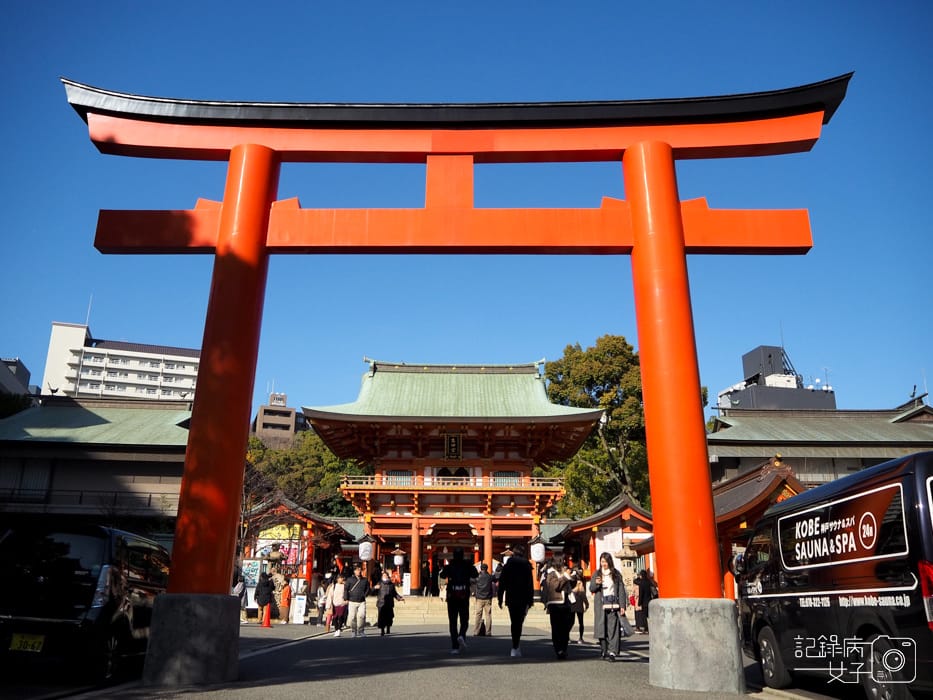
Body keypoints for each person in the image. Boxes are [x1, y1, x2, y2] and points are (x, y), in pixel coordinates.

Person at [496, 543, 534, 657]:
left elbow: (502, 582)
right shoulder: (527, 565)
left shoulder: (508, 565)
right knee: (519, 621)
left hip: (511, 596)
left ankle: (514, 646)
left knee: (514, 621)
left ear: (514, 552)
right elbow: (530, 584)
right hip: (523, 597)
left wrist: (499, 597)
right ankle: (517, 644)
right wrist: (530, 599)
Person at [589, 552, 627, 661]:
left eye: (605, 561)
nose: (604, 564)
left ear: (609, 561)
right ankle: (604, 650)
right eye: (602, 561)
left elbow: (621, 590)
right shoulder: (597, 573)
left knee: (613, 628)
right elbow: (591, 589)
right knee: (602, 628)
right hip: (601, 605)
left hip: (613, 604)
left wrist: (622, 605)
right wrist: (597, 584)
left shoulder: (616, 574)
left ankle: (612, 652)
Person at [439, 548, 478, 654]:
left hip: (452, 595)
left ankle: (455, 647)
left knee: (453, 621)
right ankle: (461, 635)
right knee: (464, 619)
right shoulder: (467, 565)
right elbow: (475, 575)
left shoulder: (449, 566)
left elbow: (442, 575)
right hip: (464, 594)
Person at [542, 559, 574, 659]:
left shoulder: (565, 572)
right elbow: (556, 586)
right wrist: (565, 577)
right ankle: (559, 649)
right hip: (555, 603)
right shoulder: (551, 574)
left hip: (567, 603)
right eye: (563, 560)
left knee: (566, 626)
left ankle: (564, 648)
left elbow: (571, 585)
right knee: (556, 628)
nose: (565, 562)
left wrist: (572, 577)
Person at [345, 562, 371, 637]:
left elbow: (368, 589)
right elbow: (346, 589)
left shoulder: (365, 580)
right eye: (357, 570)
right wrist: (346, 598)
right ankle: (353, 630)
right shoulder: (350, 580)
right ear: (354, 571)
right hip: (352, 600)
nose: (358, 571)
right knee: (352, 617)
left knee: (362, 615)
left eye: (359, 570)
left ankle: (361, 630)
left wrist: (365, 595)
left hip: (361, 601)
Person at [374, 569, 404, 635]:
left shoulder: (391, 584)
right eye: (383, 575)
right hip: (381, 603)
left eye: (386, 575)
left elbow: (394, 593)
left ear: (388, 576)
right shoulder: (379, 583)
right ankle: (382, 630)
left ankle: (388, 628)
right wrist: (374, 588)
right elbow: (373, 591)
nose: (384, 576)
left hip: (389, 602)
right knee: (381, 617)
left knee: (389, 616)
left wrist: (400, 598)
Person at [472, 562, 494, 636]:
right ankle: (488, 632)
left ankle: (476, 631)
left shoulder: (477, 577)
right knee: (488, 615)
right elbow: (495, 579)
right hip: (488, 598)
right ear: (487, 569)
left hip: (479, 598)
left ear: (481, 569)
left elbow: (471, 580)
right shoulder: (490, 577)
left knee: (478, 615)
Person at [569, 567, 589, 643]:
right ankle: (580, 638)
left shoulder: (573, 580)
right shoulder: (578, 581)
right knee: (578, 621)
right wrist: (586, 603)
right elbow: (583, 593)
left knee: (572, 621)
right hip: (577, 601)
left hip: (573, 601)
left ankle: (569, 636)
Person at [326, 571, 348, 637]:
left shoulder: (345, 586)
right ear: (337, 579)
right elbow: (330, 595)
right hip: (335, 603)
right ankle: (336, 629)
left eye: (342, 578)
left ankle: (339, 628)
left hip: (342, 603)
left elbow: (348, 593)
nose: (341, 579)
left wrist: (347, 600)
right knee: (335, 617)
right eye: (340, 578)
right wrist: (328, 604)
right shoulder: (334, 586)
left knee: (341, 616)